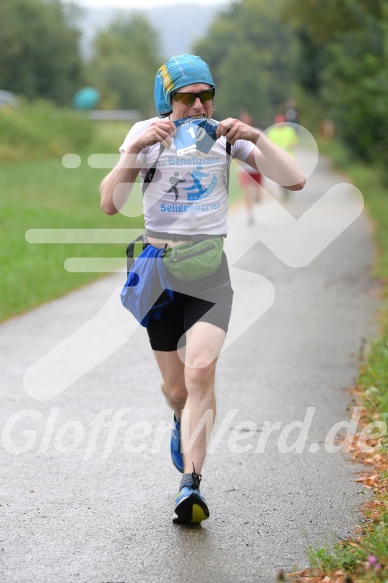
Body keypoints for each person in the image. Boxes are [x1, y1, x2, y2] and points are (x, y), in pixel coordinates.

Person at [100, 54, 306, 525]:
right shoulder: (145, 137)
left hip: (210, 269)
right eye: (186, 97)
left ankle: (190, 484)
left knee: (201, 372)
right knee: (176, 390)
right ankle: (180, 418)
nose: (197, 105)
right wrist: (134, 152)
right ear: (165, 100)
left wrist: (254, 137)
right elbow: (111, 204)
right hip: (158, 272)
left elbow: (295, 179)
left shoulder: (223, 140)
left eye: (205, 96)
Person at [237, 111, 263, 225]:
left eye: (247, 120)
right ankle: (250, 215)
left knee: (257, 190)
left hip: (256, 168)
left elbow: (264, 148)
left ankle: (257, 194)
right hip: (244, 169)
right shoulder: (236, 134)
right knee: (246, 192)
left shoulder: (257, 132)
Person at [266, 114, 299, 200]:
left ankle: (290, 185)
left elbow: (295, 142)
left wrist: (289, 145)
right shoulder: (272, 132)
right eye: (278, 121)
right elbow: (268, 144)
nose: (280, 123)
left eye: (282, 121)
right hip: (277, 157)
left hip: (289, 156)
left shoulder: (289, 131)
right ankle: (284, 190)